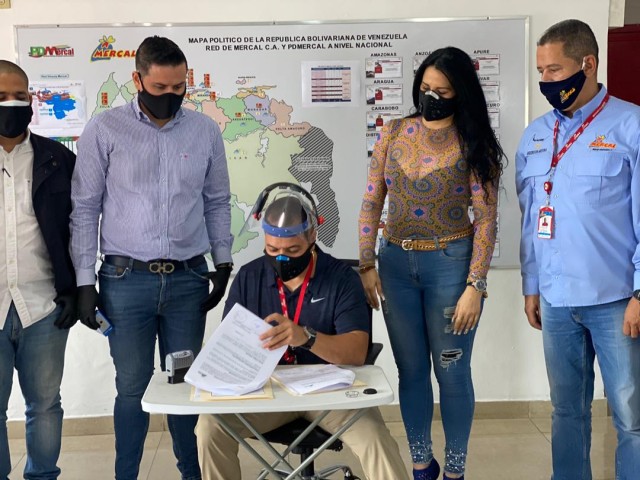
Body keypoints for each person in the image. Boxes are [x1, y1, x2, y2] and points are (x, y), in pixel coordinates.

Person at [70, 36, 233, 480]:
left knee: (184, 384)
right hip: (126, 282)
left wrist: (222, 264)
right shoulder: (105, 130)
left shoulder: (205, 131)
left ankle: (191, 474)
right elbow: (85, 208)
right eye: (159, 87)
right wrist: (85, 282)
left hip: (188, 280)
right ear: (137, 79)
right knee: (132, 388)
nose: (170, 96)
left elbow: (217, 201)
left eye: (179, 87)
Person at [196, 183, 409, 480]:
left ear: (312, 237)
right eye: (273, 250)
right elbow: (230, 345)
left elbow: (357, 351)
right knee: (209, 426)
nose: (282, 258)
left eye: (293, 250)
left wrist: (307, 338)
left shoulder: (341, 279)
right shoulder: (248, 278)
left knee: (375, 437)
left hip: (330, 392)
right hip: (268, 391)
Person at [359, 47, 504, 480]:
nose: (431, 97)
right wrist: (366, 262)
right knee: (412, 371)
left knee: (452, 372)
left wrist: (476, 285)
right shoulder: (394, 132)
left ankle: (455, 470)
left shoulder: (473, 140)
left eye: (442, 91)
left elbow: (486, 219)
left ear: (461, 93)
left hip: (450, 266)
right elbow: (372, 200)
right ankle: (422, 465)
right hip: (395, 266)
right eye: (425, 87)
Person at [516, 19, 640, 480]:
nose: (546, 80)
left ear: (588, 64)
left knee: (630, 416)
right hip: (555, 299)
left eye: (554, 70)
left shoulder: (630, 125)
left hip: (616, 300)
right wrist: (531, 284)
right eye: (540, 71)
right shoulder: (535, 135)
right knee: (566, 411)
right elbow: (530, 219)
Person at [0, 60, 77, 480]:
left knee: (45, 405)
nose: (11, 104)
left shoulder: (58, 159)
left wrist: (75, 288)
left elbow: (78, 228)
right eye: (1, 97)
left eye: (19, 95)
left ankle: (43, 476)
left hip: (43, 306)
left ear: (31, 99)